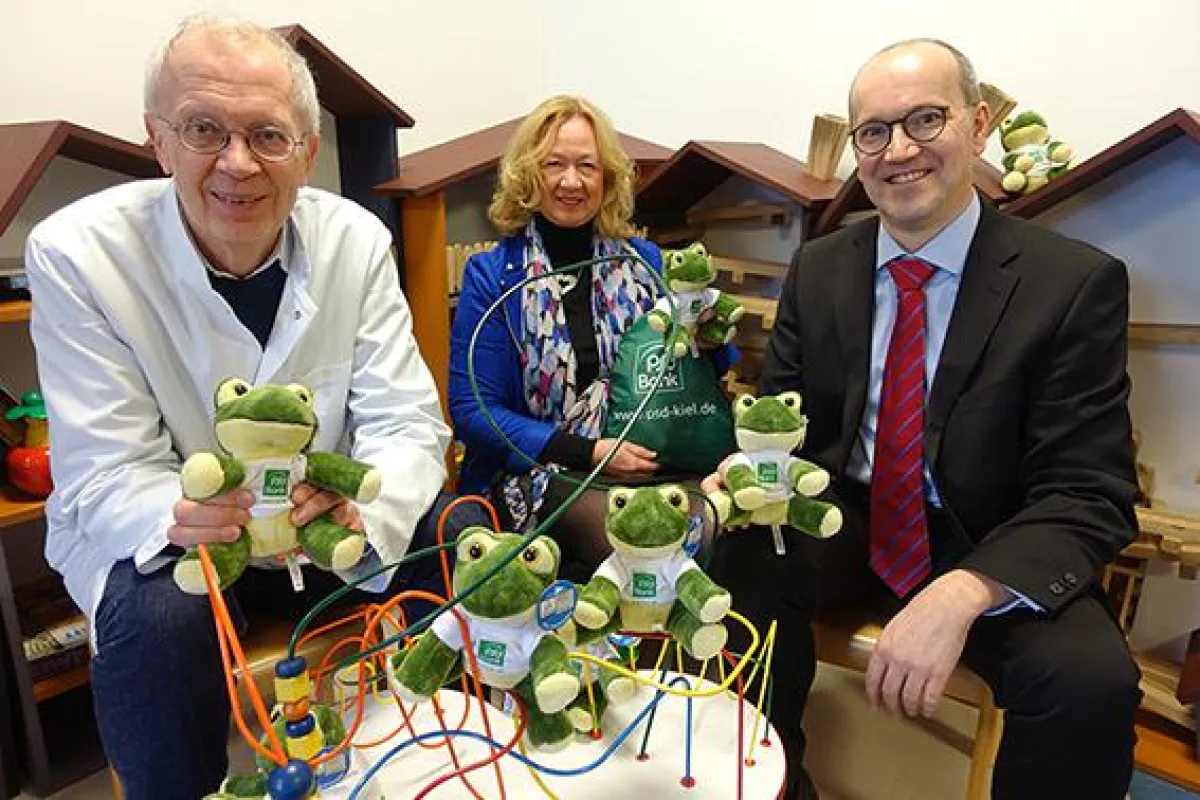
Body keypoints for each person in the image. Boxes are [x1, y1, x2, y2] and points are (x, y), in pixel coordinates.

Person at [25, 15, 485, 799]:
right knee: (161, 624)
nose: (236, 164)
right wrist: (196, 514)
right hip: (179, 534)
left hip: (326, 525)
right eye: (203, 129)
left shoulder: (355, 240)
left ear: (306, 153)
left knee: (466, 538)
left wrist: (360, 500)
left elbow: (407, 422)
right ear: (157, 139)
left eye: (268, 136)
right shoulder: (79, 252)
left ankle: (439, 764)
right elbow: (106, 472)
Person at [705, 38, 1141, 800]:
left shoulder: (1072, 284)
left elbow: (1088, 491)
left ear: (976, 126)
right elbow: (787, 427)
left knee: (1089, 683)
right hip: (850, 519)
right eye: (873, 131)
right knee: (741, 569)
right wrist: (752, 475)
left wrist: (965, 589)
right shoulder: (822, 267)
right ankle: (765, 788)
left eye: (925, 120)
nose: (898, 150)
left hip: (995, 537)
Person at [449, 95, 675, 579]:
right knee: (632, 535)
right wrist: (589, 452)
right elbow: (473, 411)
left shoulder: (645, 264)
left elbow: (684, 370)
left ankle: (683, 652)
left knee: (705, 521)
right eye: (555, 164)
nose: (571, 181)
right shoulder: (493, 275)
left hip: (642, 459)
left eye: (587, 166)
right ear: (529, 174)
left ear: (607, 177)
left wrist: (710, 336)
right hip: (535, 472)